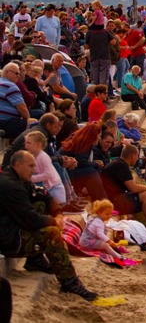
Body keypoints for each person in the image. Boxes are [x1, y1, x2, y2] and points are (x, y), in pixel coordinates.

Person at [0, 150, 99, 301]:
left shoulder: (18, 177)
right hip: (9, 239)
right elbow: (31, 220)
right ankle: (70, 283)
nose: (34, 170)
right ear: (18, 165)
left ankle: (35, 260)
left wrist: (58, 214)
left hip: (14, 226)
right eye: (31, 166)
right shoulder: (10, 185)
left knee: (39, 203)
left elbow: (44, 194)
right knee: (51, 233)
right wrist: (55, 222)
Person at [101, 144, 146, 230]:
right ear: (132, 156)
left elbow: (132, 187)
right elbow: (133, 188)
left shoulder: (118, 163)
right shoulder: (122, 166)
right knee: (145, 195)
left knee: (144, 194)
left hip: (111, 199)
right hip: (112, 202)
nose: (137, 159)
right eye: (137, 156)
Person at [58, 123, 107, 202]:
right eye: (99, 135)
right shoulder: (84, 142)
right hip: (65, 172)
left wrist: (94, 164)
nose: (99, 138)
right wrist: (96, 164)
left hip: (67, 170)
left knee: (95, 170)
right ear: (93, 135)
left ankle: (102, 199)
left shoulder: (80, 138)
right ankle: (102, 201)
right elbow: (81, 162)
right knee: (91, 172)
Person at [26, 130, 66, 204]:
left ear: (38, 144)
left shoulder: (43, 157)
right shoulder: (33, 156)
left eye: (29, 143)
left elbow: (48, 174)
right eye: (26, 143)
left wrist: (32, 179)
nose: (26, 145)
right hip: (47, 187)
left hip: (54, 189)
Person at [0, 63, 36, 144]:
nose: (18, 76)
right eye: (16, 73)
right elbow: (22, 108)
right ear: (6, 72)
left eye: (19, 74)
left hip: (3, 121)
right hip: (3, 122)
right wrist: (27, 120)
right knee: (33, 123)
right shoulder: (10, 86)